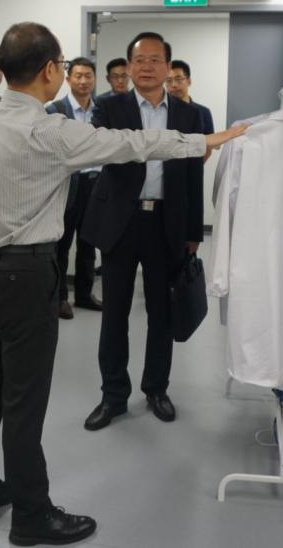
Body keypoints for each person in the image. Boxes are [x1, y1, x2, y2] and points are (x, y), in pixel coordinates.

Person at [0, 22, 244, 546]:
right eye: (63, 65)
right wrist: (207, 140)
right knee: (24, 400)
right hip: (24, 274)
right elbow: (131, 144)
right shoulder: (50, 130)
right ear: (50, 70)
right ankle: (31, 516)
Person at [80, 32, 204, 432]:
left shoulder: (189, 115)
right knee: (114, 313)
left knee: (162, 312)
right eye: (139, 60)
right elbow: (99, 152)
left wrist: (193, 230)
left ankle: (156, 388)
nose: (147, 67)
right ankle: (113, 395)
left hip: (167, 221)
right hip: (120, 221)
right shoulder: (108, 107)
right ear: (129, 67)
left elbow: (193, 176)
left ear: (168, 67)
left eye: (155, 60)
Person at [46, 56, 102, 320]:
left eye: (88, 75)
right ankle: (59, 298)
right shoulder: (54, 110)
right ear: (68, 79)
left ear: (94, 79)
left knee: (89, 243)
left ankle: (84, 294)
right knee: (62, 243)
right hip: (67, 185)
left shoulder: (101, 110)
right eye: (78, 76)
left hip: (95, 184)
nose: (83, 81)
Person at [166, 59, 215, 160]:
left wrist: (195, 167)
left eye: (178, 79)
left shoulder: (203, 112)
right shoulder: (162, 111)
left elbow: (208, 146)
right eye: (169, 80)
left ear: (189, 81)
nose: (173, 85)